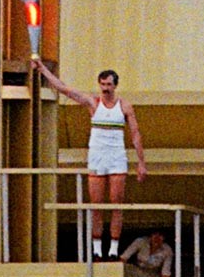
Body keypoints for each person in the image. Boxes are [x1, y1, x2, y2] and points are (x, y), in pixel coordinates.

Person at [31, 62, 146, 256]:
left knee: (116, 203)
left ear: (115, 86)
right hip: (97, 156)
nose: (105, 88)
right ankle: (97, 250)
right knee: (96, 204)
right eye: (102, 84)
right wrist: (43, 69)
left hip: (117, 156)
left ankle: (113, 249)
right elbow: (65, 89)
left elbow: (135, 134)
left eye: (109, 85)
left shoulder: (125, 106)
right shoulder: (93, 103)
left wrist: (141, 163)